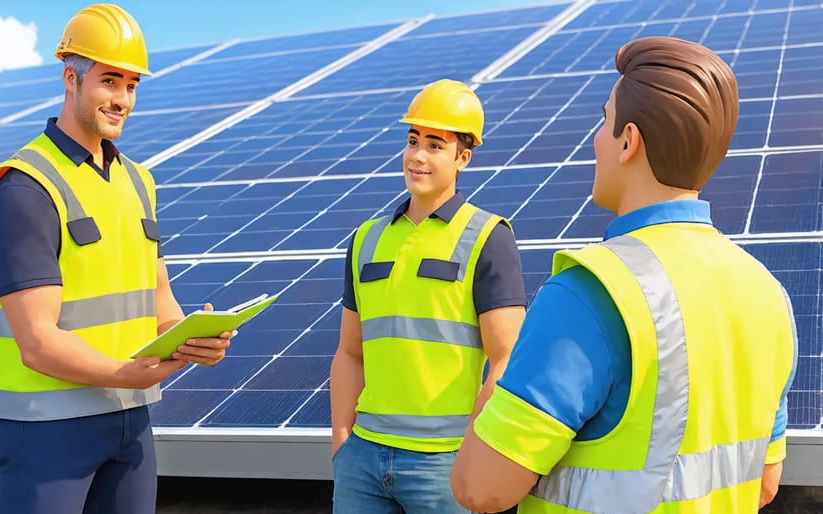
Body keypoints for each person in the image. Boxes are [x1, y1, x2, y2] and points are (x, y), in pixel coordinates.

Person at [450, 36, 798, 514]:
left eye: (604, 120)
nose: (597, 138)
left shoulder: (590, 292)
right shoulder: (770, 295)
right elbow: (764, 485)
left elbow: (480, 489)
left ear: (629, 141)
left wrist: (500, 374)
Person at [0, 5, 231, 514]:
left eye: (132, 85)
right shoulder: (24, 186)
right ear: (71, 78)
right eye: (110, 81)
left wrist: (193, 337)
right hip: (48, 434)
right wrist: (123, 372)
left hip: (130, 423)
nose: (123, 99)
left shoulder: (139, 182)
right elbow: (37, 343)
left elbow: (160, 299)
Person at [329, 79, 528, 513]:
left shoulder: (488, 237)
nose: (417, 155)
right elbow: (349, 353)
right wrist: (342, 444)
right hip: (362, 460)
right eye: (413, 140)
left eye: (435, 145)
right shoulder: (366, 239)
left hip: (444, 462)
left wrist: (473, 455)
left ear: (463, 157)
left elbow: (506, 359)